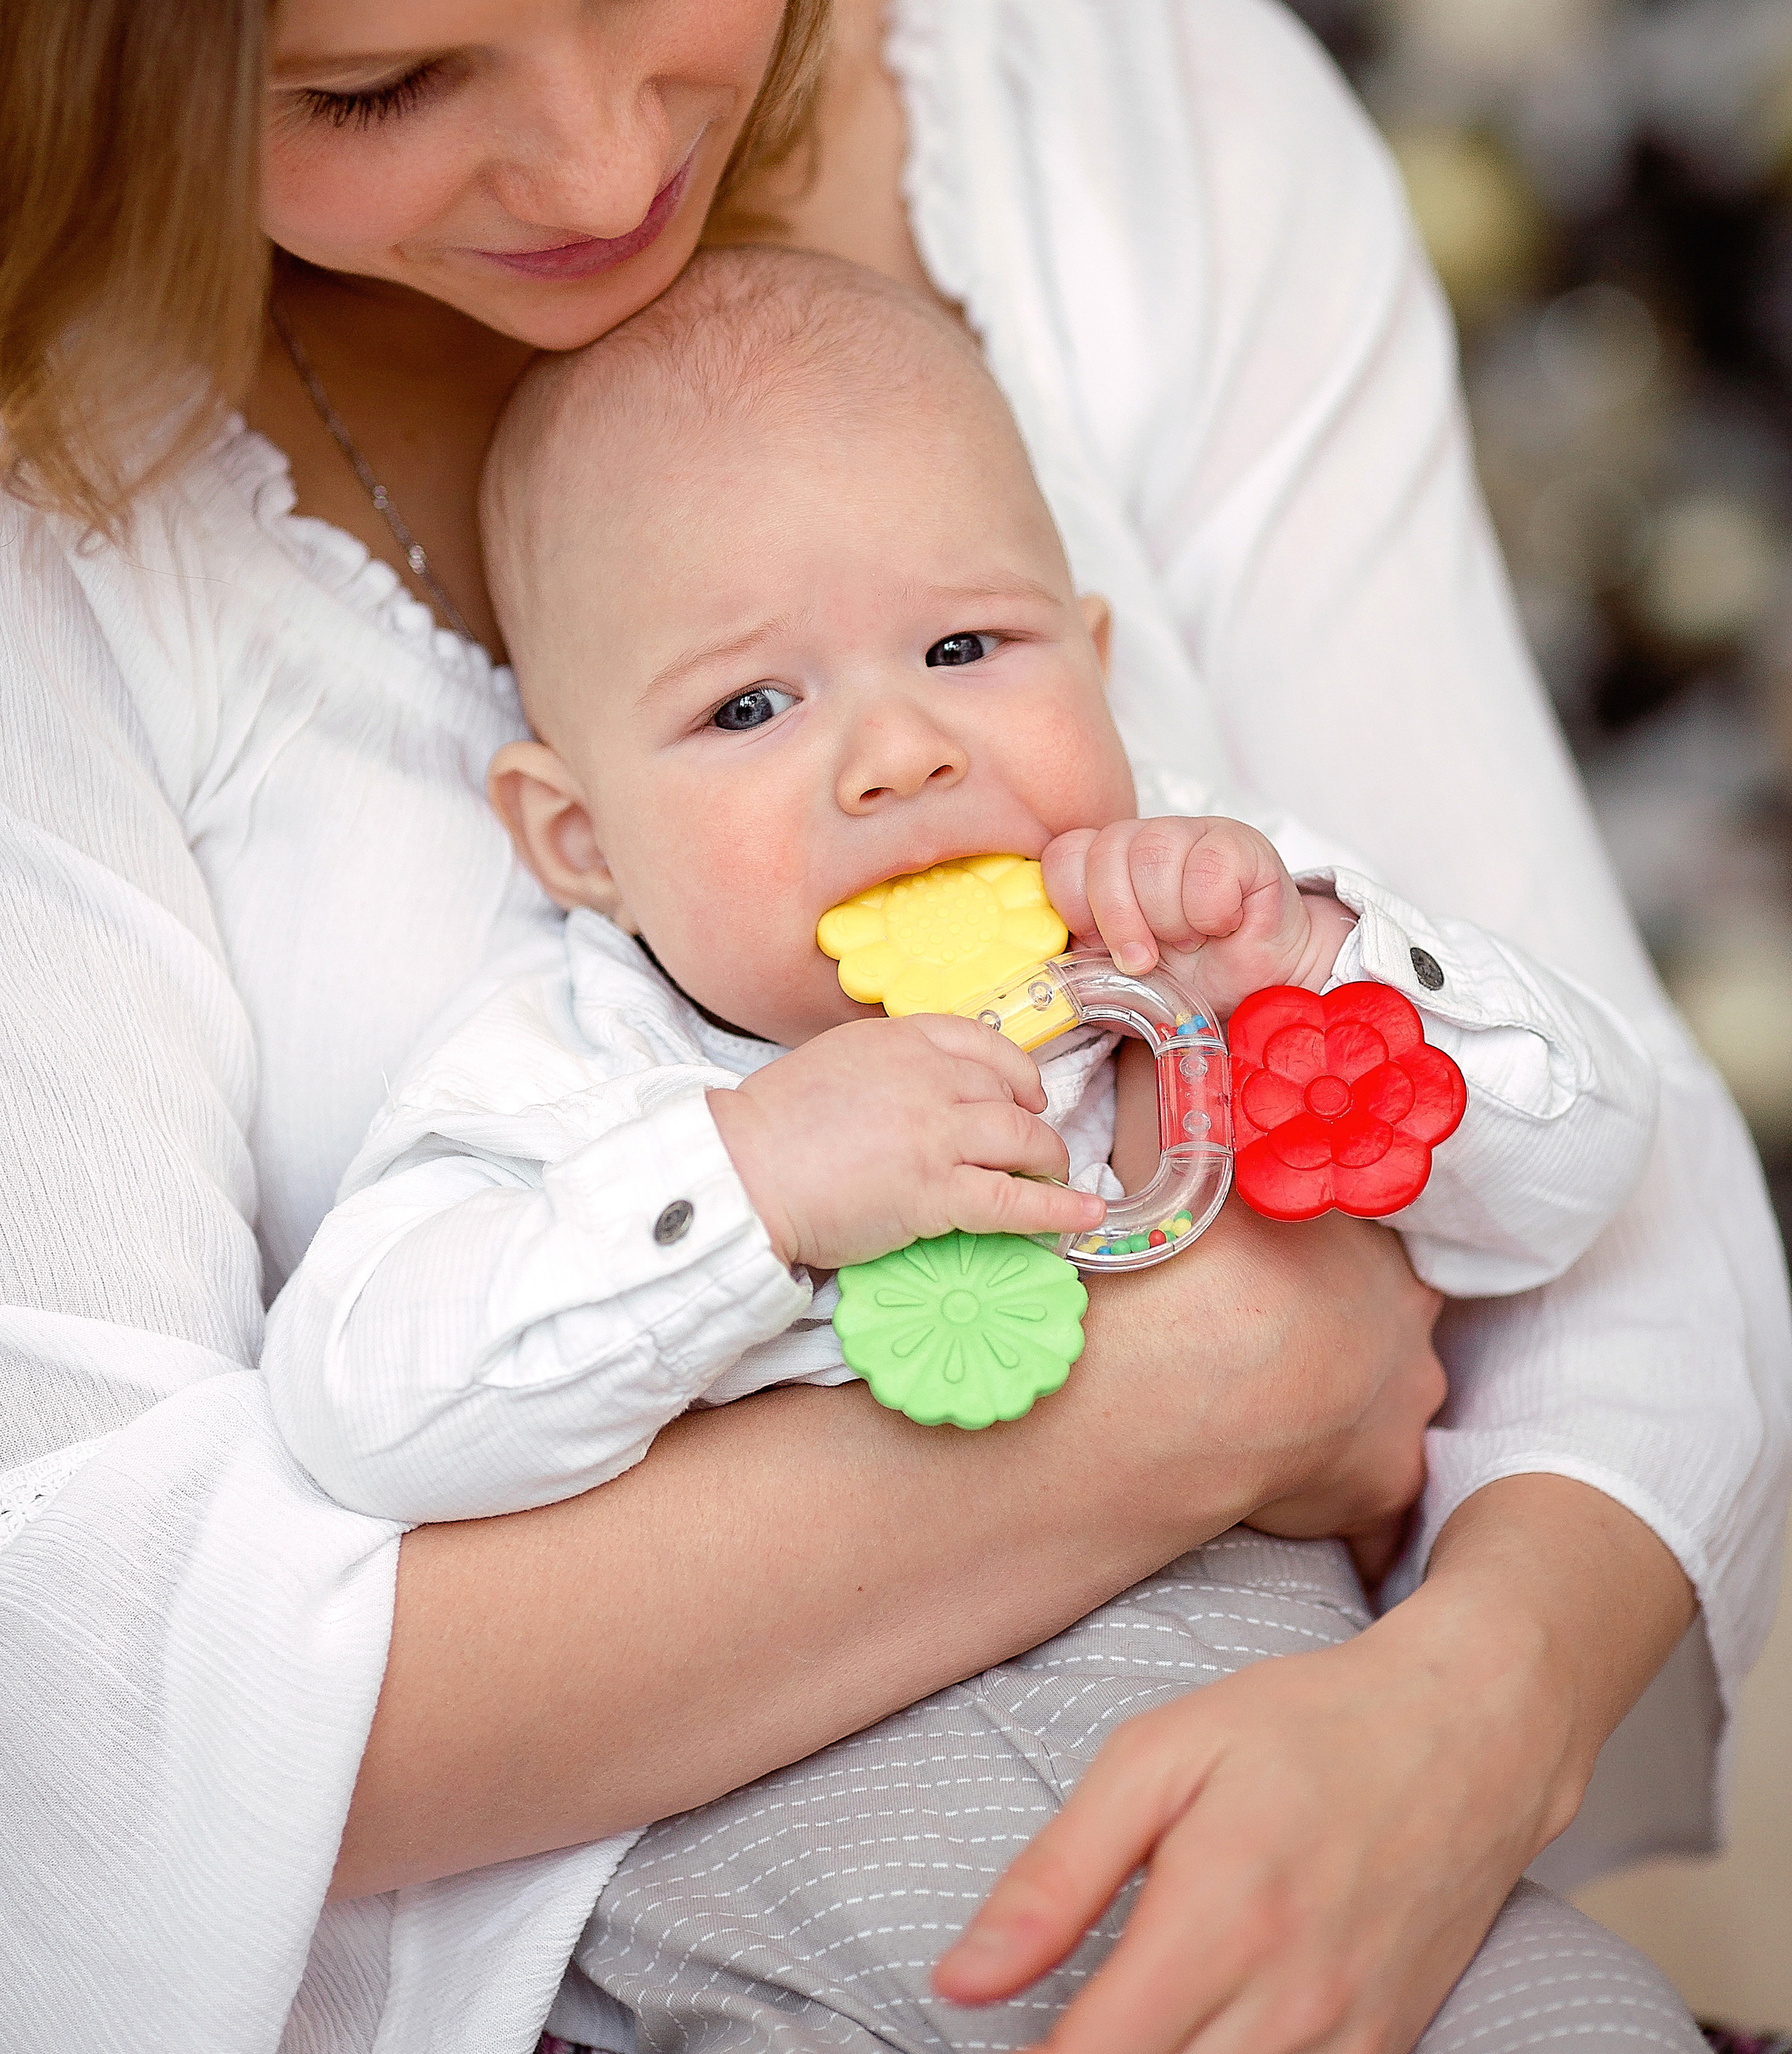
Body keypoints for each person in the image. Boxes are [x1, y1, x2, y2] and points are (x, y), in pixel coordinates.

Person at [0, 0, 1783, 2053]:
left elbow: (1616, 1193)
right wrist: (1197, 1391)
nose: (602, 162)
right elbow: (88, 1702)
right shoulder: (59, 477)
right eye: (373, 87)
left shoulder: (1132, 120)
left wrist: (1470, 1713)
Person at [258, 244, 1673, 2054]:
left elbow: (1576, 1179)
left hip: (1299, 1861)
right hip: (776, 1926)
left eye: (965, 649)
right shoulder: (575, 1076)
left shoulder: (1200, 930)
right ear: (578, 836)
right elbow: (361, 1404)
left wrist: (1316, 973)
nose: (900, 753)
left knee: (1581, 2019)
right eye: (749, 709)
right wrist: (752, 1192)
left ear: (1091, 666)